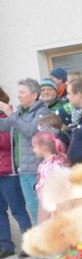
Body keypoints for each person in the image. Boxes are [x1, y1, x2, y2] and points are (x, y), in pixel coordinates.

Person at [0, 78, 49, 224]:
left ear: (34, 95)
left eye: (22, 92)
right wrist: (11, 116)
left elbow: (30, 131)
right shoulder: (20, 112)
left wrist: (11, 115)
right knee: (33, 210)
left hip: (36, 169)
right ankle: (38, 238)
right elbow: (4, 126)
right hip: (23, 169)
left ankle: (48, 238)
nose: (18, 96)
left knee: (42, 210)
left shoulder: (42, 111)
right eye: (18, 92)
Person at [0, 86, 32, 259]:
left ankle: (29, 244)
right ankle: (5, 245)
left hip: (9, 171)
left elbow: (7, 142)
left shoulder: (8, 116)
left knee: (18, 209)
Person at [31, 130, 69, 220]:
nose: (33, 150)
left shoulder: (55, 164)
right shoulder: (43, 163)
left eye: (35, 147)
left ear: (43, 147)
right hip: (44, 202)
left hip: (55, 204)